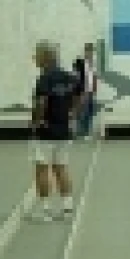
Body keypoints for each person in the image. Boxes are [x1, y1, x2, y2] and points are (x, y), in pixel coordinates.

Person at [27, 40, 81, 222]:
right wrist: (72, 114)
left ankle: (45, 211)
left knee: (42, 168)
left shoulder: (44, 78)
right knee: (61, 167)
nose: (34, 58)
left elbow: (41, 102)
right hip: (64, 129)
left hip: (46, 131)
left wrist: (37, 121)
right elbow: (80, 96)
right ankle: (67, 208)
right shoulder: (70, 77)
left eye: (37, 55)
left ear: (45, 57)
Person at [72, 43, 98, 140]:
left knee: (89, 113)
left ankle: (87, 133)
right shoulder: (79, 62)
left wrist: (94, 89)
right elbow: (76, 78)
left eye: (91, 51)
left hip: (90, 92)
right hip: (82, 92)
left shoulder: (93, 64)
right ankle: (79, 133)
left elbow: (94, 77)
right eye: (88, 51)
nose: (90, 53)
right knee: (82, 112)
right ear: (85, 51)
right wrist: (80, 93)